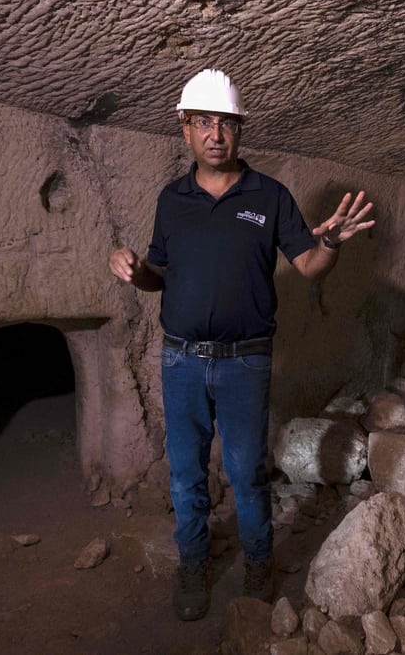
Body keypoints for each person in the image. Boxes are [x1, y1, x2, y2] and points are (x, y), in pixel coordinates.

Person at [108, 68, 374, 621]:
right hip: (180, 359)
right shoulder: (171, 200)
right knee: (185, 473)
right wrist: (137, 272)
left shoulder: (270, 196)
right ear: (184, 129)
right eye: (204, 122)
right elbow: (160, 272)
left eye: (226, 123)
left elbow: (310, 266)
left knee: (248, 472)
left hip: (245, 362)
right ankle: (194, 565)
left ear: (239, 131)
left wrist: (330, 243)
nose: (216, 134)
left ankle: (258, 564)